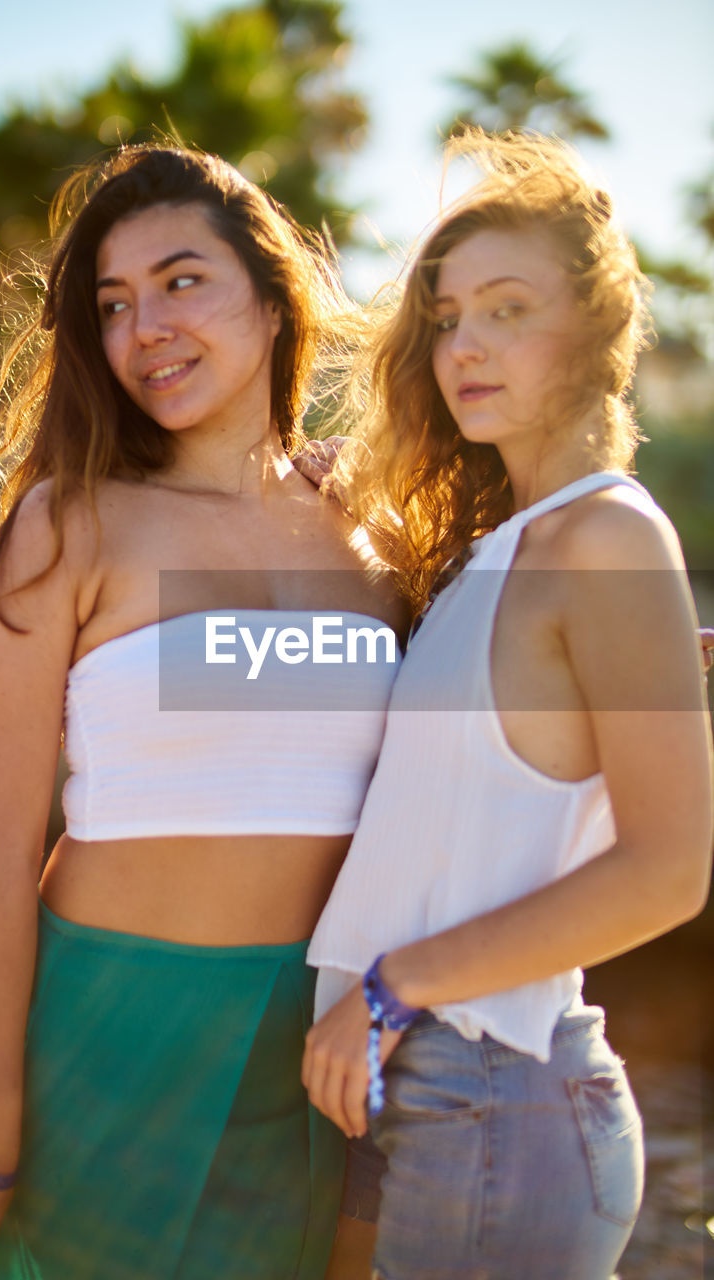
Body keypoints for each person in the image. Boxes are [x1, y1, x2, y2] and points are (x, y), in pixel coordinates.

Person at [0, 144, 406, 1280]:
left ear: (273, 302)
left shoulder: (366, 529)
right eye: (113, 304)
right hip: (108, 1037)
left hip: (309, 1046)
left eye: (182, 281)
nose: (144, 329)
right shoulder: (68, 525)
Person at [303, 131, 713, 1280]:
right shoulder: (514, 549)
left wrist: (392, 987)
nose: (462, 345)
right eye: (444, 316)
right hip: (426, 1093)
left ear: (592, 328)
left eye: (505, 308)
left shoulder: (609, 538)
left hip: (493, 1096)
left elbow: (667, 871)